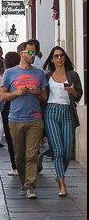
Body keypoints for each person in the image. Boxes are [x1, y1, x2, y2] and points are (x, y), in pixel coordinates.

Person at [0, 40, 48, 199]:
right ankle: (23, 181)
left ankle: (30, 186)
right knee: (19, 156)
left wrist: (37, 93)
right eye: (31, 53)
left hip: (35, 119)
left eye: (35, 52)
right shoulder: (10, 73)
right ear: (22, 54)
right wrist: (16, 93)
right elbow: (2, 95)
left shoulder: (39, 74)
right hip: (15, 119)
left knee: (32, 154)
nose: (34, 55)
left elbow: (44, 97)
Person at [43, 46, 83, 197]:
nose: (59, 58)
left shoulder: (72, 75)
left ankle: (59, 174)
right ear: (52, 59)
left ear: (65, 58)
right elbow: (43, 96)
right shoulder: (47, 76)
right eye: (56, 56)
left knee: (67, 151)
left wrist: (72, 91)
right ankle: (62, 184)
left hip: (67, 112)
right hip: (52, 112)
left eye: (61, 55)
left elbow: (78, 95)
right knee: (58, 151)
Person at [0, 51, 21, 176]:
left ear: (6, 63)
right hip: (23, 108)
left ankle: (15, 166)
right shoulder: (23, 75)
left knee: (10, 137)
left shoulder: (5, 76)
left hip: (8, 108)